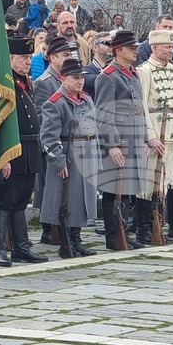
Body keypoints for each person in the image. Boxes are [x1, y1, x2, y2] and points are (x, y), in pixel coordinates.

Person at [0, 37, 51, 265]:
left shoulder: (26, 82)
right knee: (4, 198)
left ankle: (21, 247)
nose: (27, 62)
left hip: (30, 147)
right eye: (23, 58)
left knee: (22, 199)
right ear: (10, 59)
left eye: (28, 58)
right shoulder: (4, 84)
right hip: (12, 148)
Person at [94, 30, 148, 250]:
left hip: (134, 140)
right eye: (131, 48)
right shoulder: (107, 77)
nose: (136, 51)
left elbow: (140, 110)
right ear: (118, 50)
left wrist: (144, 139)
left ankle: (123, 232)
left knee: (127, 189)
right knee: (112, 190)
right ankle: (114, 236)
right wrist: (111, 145)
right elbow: (103, 115)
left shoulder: (132, 74)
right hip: (118, 143)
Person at [39, 57, 99, 258]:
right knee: (67, 201)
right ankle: (66, 242)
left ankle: (76, 239)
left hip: (87, 153)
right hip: (69, 154)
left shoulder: (86, 98)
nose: (80, 81)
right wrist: (58, 159)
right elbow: (48, 136)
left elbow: (94, 128)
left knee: (82, 202)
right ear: (64, 79)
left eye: (81, 77)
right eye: (75, 78)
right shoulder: (54, 103)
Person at [135, 29, 173, 244]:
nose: (171, 49)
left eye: (172, 46)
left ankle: (160, 226)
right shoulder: (144, 71)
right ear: (155, 47)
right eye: (166, 46)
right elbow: (142, 108)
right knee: (149, 184)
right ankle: (144, 229)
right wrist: (149, 136)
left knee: (165, 183)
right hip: (157, 133)